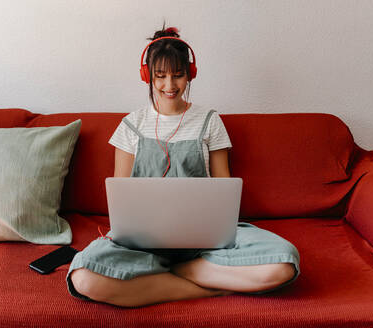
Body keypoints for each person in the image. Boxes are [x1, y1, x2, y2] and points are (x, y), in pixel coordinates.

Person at [67, 25, 300, 307]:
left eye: (178, 75)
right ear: (147, 76)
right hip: (142, 243)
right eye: (160, 76)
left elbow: (223, 191)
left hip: (204, 240)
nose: (170, 85)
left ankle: (176, 273)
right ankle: (208, 285)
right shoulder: (131, 126)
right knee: (84, 278)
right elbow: (121, 197)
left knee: (284, 264)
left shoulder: (209, 121)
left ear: (190, 74)